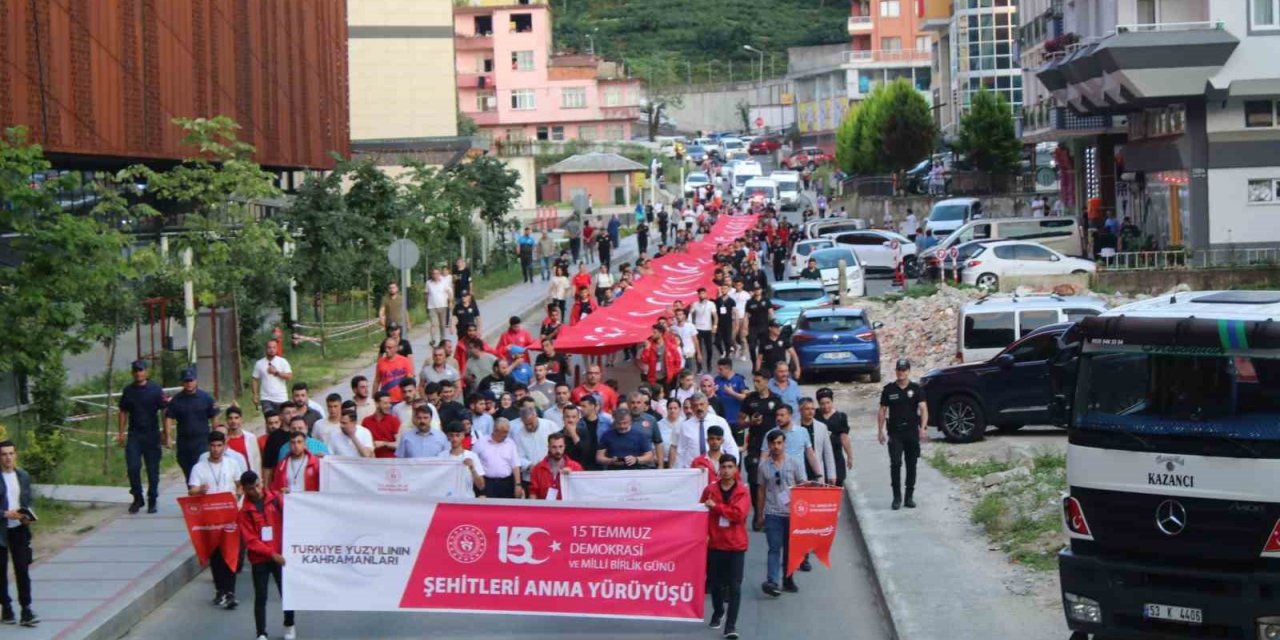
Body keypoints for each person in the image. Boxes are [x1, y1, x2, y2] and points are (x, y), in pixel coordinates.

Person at [188, 431, 245, 610]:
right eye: (213, 446)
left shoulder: (232, 464)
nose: (216, 449)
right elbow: (191, 490)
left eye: (219, 445)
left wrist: (238, 493)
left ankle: (230, 592)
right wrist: (200, 491)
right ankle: (220, 590)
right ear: (208, 447)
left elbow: (239, 483)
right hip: (209, 518)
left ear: (225, 446)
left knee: (231, 553)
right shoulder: (199, 467)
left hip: (229, 515)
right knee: (216, 556)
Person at [237, 471, 294, 640]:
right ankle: (261, 633)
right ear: (244, 490)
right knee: (261, 596)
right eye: (250, 489)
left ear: (261, 482)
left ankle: (289, 625)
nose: (256, 491)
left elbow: (292, 516)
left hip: (280, 555)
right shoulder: (244, 512)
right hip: (260, 558)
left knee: (287, 593)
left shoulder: (276, 498)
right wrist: (271, 554)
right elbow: (251, 541)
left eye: (257, 485)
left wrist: (292, 498)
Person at [702, 454, 749, 639]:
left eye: (730, 466)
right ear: (719, 469)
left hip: (736, 545)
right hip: (715, 543)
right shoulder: (710, 490)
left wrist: (716, 507)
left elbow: (738, 514)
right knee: (715, 583)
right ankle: (718, 610)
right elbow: (700, 513)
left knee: (735, 587)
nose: (727, 470)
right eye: (724, 467)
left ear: (736, 469)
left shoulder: (743, 491)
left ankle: (730, 626)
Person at [755, 429, 806, 597]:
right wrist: (760, 514)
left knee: (791, 549)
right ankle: (772, 582)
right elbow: (761, 491)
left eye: (779, 443)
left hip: (793, 514)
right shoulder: (763, 467)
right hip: (773, 513)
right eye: (773, 443)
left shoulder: (795, 463)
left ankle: (788, 579)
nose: (776, 446)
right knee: (774, 548)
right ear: (768, 445)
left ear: (784, 444)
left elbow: (803, 485)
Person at [117, 359, 167, 514]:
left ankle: (152, 498)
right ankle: (137, 498)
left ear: (146, 372)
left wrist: (166, 433)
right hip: (134, 435)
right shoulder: (128, 390)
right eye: (136, 371)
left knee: (153, 469)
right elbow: (123, 411)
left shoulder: (155, 389)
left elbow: (164, 411)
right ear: (133, 373)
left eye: (141, 370)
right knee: (133, 467)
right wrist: (121, 432)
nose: (138, 373)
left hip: (152, 434)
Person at [878, 358, 929, 510]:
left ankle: (909, 496)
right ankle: (896, 497)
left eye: (904, 370)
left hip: (911, 432)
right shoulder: (889, 390)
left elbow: (924, 409)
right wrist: (880, 431)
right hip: (895, 432)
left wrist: (923, 427)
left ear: (908, 371)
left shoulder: (916, 389)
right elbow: (882, 411)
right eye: (899, 370)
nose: (901, 373)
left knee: (911, 464)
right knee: (895, 463)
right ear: (896, 371)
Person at [0, 441, 37, 627]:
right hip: (1, 531)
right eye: (4, 454)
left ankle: (26, 609)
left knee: (22, 569)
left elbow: (28, 500)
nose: (8, 458)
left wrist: (27, 516)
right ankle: (6, 607)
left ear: (16, 455)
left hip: (20, 529)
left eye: (11, 453)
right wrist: (5, 513)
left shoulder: (23, 476)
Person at [165, 367, 220, 482]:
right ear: (182, 382)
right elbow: (169, 417)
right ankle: (193, 495)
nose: (189, 383)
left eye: (191, 380)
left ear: (196, 381)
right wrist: (168, 436)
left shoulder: (206, 398)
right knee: (189, 475)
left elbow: (214, 416)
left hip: (202, 442)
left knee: (202, 471)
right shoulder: (176, 400)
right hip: (184, 443)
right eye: (186, 381)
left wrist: (216, 436)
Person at [671, 393, 739, 469]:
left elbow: (730, 446)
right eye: (695, 405)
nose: (699, 408)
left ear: (707, 405)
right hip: (693, 469)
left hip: (716, 468)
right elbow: (681, 451)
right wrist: (679, 472)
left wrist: (733, 467)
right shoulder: (685, 426)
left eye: (701, 404)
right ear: (692, 407)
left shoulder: (719, 421)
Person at [473, 418, 523, 498]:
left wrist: (518, 484)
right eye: (503, 432)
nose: (505, 435)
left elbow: (515, 465)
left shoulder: (510, 443)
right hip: (487, 483)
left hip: (506, 484)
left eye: (507, 432)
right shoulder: (481, 443)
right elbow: (474, 463)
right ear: (494, 430)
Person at [513, 406, 558, 492]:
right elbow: (517, 456)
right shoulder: (518, 434)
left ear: (535, 416)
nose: (529, 427)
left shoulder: (550, 426)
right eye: (526, 424)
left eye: (531, 423)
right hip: (530, 477)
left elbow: (559, 445)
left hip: (551, 473)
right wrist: (529, 465)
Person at [528, 432, 582, 500]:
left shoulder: (576, 467)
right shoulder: (537, 469)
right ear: (549, 447)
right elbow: (533, 493)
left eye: (560, 446)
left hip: (568, 508)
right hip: (545, 508)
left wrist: (572, 476)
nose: (558, 451)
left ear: (565, 446)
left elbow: (581, 491)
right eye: (554, 447)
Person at [439, 422, 486, 494]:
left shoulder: (472, 456)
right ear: (448, 437)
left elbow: (481, 486)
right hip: (446, 498)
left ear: (463, 436)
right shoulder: (441, 456)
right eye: (451, 435)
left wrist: (472, 468)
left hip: (466, 499)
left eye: (457, 435)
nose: (454, 439)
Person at [638, 323, 683, 394]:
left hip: (667, 378)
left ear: (661, 333)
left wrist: (672, 373)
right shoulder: (650, 345)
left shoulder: (670, 346)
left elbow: (678, 362)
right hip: (653, 379)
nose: (652, 334)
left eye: (654, 332)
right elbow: (644, 360)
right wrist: (647, 348)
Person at [250, 340, 293, 416]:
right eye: (269, 347)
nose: (272, 350)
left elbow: (289, 376)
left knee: (281, 420)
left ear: (277, 349)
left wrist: (276, 372)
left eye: (274, 347)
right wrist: (255, 394)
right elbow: (254, 379)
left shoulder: (282, 361)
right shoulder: (259, 363)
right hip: (266, 398)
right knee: (270, 419)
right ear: (265, 349)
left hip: (281, 397)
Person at [374, 337, 414, 403]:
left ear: (396, 348)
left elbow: (410, 380)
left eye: (389, 348)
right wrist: (374, 397)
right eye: (385, 347)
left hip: (402, 400)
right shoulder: (380, 363)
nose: (387, 350)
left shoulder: (405, 361)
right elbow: (377, 381)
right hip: (386, 401)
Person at [362, 392, 401, 459]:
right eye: (385, 403)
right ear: (377, 404)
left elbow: (399, 445)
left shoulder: (394, 420)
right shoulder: (366, 421)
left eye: (389, 403)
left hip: (391, 462)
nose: (389, 406)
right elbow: (363, 442)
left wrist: (383, 444)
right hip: (372, 461)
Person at [690, 288, 717, 372]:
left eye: (703, 293)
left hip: (708, 329)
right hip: (697, 329)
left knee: (709, 349)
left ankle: (709, 364)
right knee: (698, 349)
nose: (702, 295)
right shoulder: (695, 304)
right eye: (700, 294)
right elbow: (690, 315)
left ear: (706, 294)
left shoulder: (711, 304)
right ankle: (699, 367)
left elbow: (715, 316)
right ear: (698, 295)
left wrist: (715, 326)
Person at [425, 268, 452, 343]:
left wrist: (450, 302)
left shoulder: (443, 282)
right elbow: (426, 295)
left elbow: (448, 292)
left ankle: (442, 339)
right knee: (433, 324)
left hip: (443, 305)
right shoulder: (428, 283)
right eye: (434, 273)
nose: (435, 275)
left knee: (442, 324)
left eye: (437, 273)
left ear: (439, 274)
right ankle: (433, 339)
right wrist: (426, 305)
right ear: (432, 275)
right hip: (432, 306)